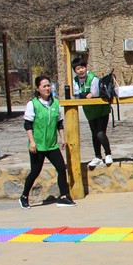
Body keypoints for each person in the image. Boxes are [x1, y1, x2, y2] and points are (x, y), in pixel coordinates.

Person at [20, 76, 76, 208]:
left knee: (61, 168)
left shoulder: (55, 103)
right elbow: (27, 125)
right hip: (38, 145)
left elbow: (59, 123)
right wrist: (32, 142)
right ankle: (24, 196)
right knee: (35, 171)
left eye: (48, 85)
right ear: (37, 88)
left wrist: (62, 138)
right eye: (44, 86)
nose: (47, 88)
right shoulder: (32, 104)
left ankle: (63, 196)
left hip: (51, 144)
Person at [71, 57, 113, 169]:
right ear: (75, 70)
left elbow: (94, 93)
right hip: (89, 111)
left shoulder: (93, 78)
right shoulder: (75, 80)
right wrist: (84, 95)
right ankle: (98, 156)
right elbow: (76, 94)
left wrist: (84, 95)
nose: (81, 70)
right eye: (78, 68)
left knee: (100, 133)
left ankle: (108, 154)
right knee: (94, 134)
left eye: (82, 67)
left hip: (101, 109)